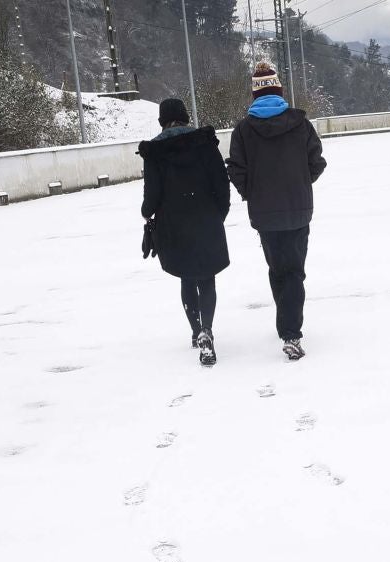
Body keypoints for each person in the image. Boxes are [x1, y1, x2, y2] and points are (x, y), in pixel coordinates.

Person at [225, 62, 327, 361]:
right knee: (294, 270)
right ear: (279, 90)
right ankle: (291, 332)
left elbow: (235, 169)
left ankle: (286, 321)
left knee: (277, 268)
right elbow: (317, 162)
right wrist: (300, 183)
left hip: (264, 213)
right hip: (298, 208)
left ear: (255, 94)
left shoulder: (244, 130)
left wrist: (252, 193)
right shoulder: (300, 124)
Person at [138, 98, 231, 367]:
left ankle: (195, 330)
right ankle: (207, 330)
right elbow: (221, 184)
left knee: (186, 278)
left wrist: (147, 213)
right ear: (185, 117)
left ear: (162, 120)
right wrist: (218, 214)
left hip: (174, 225)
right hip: (206, 219)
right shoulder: (204, 142)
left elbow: (151, 194)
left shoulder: (155, 151)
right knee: (207, 278)